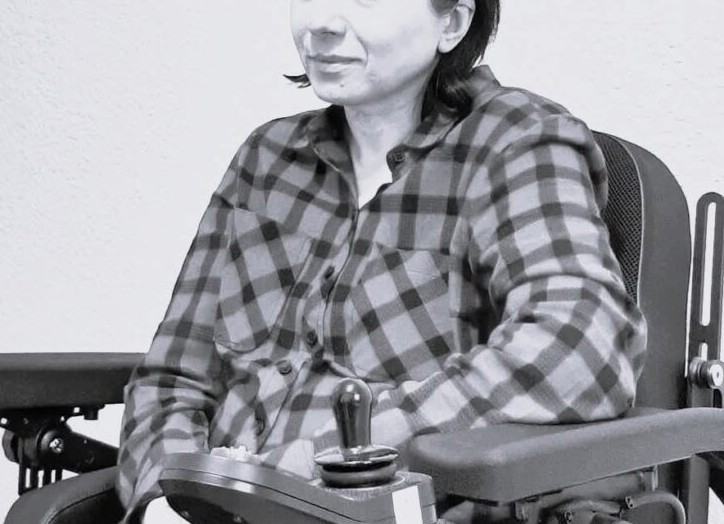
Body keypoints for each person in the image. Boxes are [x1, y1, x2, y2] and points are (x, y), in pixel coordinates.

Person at [116, 0, 647, 522]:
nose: (321, 22)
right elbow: (171, 380)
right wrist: (164, 501)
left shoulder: (516, 142)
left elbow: (581, 348)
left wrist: (314, 465)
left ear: (452, 23)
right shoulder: (266, 158)